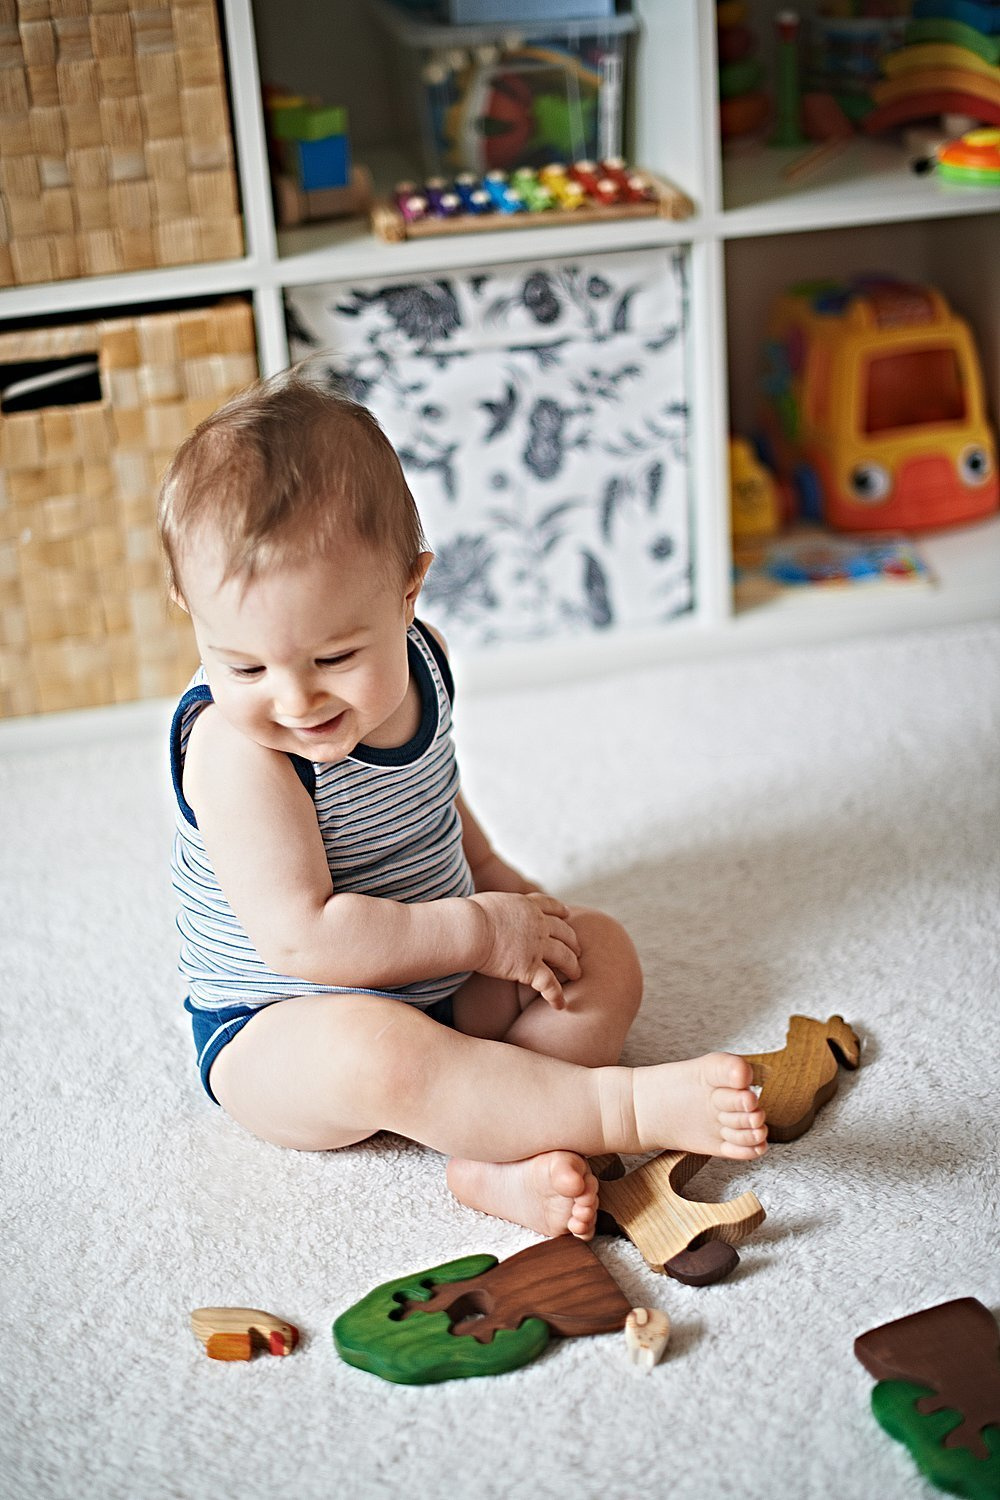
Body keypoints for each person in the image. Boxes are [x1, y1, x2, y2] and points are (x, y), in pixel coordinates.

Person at [159, 367, 767, 1241]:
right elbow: (307, 938)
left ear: (408, 592)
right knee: (380, 1052)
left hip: (440, 973)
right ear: (190, 610)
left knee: (598, 952)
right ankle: (616, 1109)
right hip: (285, 1028)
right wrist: (480, 932)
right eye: (246, 665)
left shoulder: (425, 663)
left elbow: (433, 800)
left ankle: (495, 1149)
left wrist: (504, 889)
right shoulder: (235, 750)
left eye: (335, 657)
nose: (295, 700)